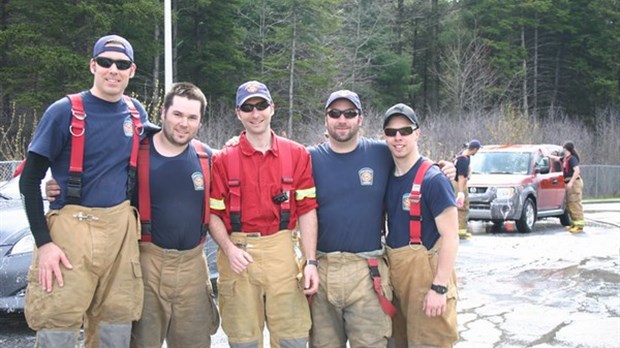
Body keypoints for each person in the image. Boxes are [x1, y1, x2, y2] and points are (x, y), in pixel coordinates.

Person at [19, 34, 148, 348]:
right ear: (93, 65)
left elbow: (168, 143)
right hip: (69, 234)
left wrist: (219, 150)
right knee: (58, 322)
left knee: (116, 323)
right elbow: (28, 182)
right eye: (105, 62)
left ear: (132, 71)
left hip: (120, 233)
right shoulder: (63, 112)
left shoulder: (136, 113)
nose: (112, 70)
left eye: (122, 64)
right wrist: (44, 243)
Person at [308, 90, 456, 348]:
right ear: (326, 119)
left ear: (361, 119)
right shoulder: (308, 158)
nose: (342, 119)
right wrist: (236, 141)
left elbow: (415, 163)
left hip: (368, 271)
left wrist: (444, 168)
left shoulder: (381, 154)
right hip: (324, 269)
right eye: (335, 113)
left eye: (350, 113)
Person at [208, 80, 319, 348]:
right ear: (238, 113)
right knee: (243, 339)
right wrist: (229, 249)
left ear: (272, 109)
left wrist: (311, 262)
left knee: (292, 336)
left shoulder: (297, 154)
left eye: (261, 106)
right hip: (238, 254)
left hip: (282, 249)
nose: (255, 113)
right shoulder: (224, 159)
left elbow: (306, 210)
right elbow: (212, 213)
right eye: (247, 108)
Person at [129, 82, 219, 347]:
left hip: (194, 266)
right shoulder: (135, 152)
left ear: (200, 122)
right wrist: (58, 186)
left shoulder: (207, 157)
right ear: (163, 113)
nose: (184, 123)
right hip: (147, 265)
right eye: (177, 114)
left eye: (192, 117)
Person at [382, 103, 459, 348]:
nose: (398, 137)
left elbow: (451, 237)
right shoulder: (387, 175)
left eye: (405, 130)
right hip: (398, 282)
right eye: (391, 132)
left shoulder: (434, 180)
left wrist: (439, 287)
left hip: (427, 283)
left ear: (417, 133)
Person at [541, 142, 584, 233]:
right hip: (568, 181)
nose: (563, 150)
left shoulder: (572, 159)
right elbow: (556, 158)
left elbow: (577, 171)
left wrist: (571, 183)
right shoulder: (565, 159)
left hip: (574, 183)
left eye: (564, 148)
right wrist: (547, 155)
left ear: (566, 149)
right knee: (569, 204)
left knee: (575, 203)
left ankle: (579, 226)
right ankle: (574, 223)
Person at [453, 139, 481, 239]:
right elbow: (461, 177)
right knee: (462, 207)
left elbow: (467, 170)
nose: (476, 152)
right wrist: (461, 192)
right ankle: (460, 231)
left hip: (460, 183)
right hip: (458, 184)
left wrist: (469, 173)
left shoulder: (464, 156)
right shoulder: (463, 160)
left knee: (464, 206)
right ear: (474, 149)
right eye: (477, 150)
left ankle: (461, 229)